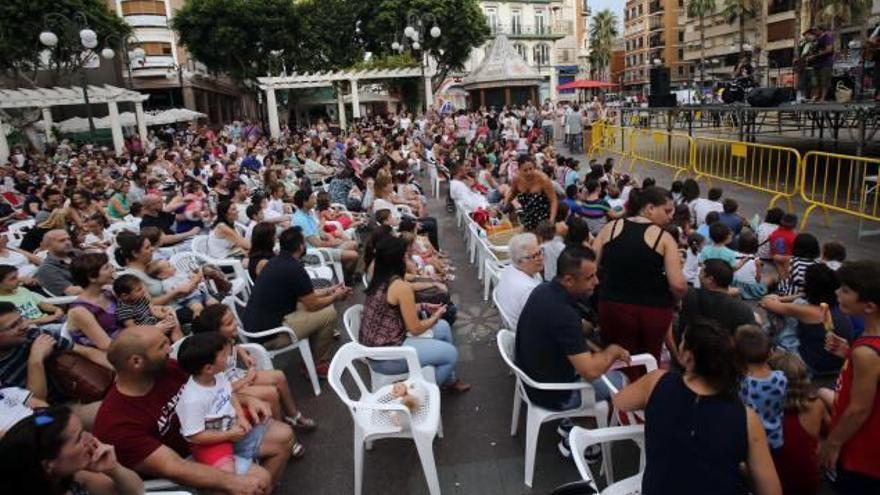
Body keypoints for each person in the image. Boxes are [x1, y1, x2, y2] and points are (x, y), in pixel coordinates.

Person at [94, 326, 293, 494]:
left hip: (217, 433)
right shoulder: (116, 422)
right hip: (188, 458)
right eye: (162, 346)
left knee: (284, 435)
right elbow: (173, 466)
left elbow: (209, 390)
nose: (169, 349)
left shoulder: (168, 368)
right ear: (136, 362)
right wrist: (231, 482)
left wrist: (246, 400)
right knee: (259, 479)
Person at [612, 319, 782, 495]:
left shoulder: (656, 381)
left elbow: (620, 401)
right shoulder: (746, 419)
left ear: (688, 357)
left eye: (683, 341)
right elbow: (771, 490)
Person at [515, 246, 630, 457]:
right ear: (568, 280)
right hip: (551, 394)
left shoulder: (543, 290)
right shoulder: (563, 314)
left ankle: (571, 424)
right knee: (619, 381)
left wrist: (580, 327)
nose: (596, 282)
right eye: (590, 277)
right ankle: (575, 442)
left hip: (531, 379)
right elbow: (590, 371)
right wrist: (612, 351)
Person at [359, 234, 470, 392]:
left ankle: (448, 380)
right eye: (404, 255)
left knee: (444, 327)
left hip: (375, 349)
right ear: (397, 259)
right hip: (388, 355)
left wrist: (423, 306)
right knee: (451, 354)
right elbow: (415, 328)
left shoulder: (379, 278)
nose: (407, 258)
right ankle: (422, 395)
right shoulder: (399, 286)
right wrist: (435, 317)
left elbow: (390, 311)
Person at [594, 186, 687, 363]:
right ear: (650, 208)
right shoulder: (664, 238)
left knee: (616, 358)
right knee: (648, 361)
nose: (670, 216)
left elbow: (591, 265)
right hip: (652, 310)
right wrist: (678, 299)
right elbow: (678, 284)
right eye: (666, 211)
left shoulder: (610, 228)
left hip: (612, 305)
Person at [243, 227, 348, 377]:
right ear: (300, 247)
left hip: (254, 329)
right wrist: (336, 296)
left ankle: (314, 356)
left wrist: (330, 290)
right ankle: (318, 364)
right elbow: (313, 304)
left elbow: (305, 296)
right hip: (270, 336)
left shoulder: (275, 262)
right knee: (329, 313)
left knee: (318, 306)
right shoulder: (294, 268)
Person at [194, 305, 316, 430]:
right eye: (230, 323)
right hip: (230, 391)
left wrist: (244, 355)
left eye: (234, 319)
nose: (236, 323)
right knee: (271, 393)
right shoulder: (213, 357)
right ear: (216, 331)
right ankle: (282, 430)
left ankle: (293, 415)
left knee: (278, 375)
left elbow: (235, 345)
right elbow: (221, 388)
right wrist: (247, 379)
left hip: (238, 376)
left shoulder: (226, 339)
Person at [820, 260, 880, 492]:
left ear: (869, 307)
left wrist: (833, 444)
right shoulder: (866, 345)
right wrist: (848, 352)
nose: (837, 293)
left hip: (861, 451)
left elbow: (859, 409)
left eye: (845, 291)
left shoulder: (867, 352)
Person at [0, 405, 143, 495]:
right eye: (79, 438)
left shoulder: (73, 476)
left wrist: (113, 469)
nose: (91, 438)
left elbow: (136, 491)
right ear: (48, 465)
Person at [761, 263, 853, 376]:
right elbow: (802, 295)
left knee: (788, 312)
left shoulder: (807, 310)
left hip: (812, 365)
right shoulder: (837, 304)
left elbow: (766, 303)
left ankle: (780, 347)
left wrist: (774, 297)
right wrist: (781, 298)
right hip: (836, 365)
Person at [768, 352, 827, 495]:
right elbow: (829, 432)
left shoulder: (762, 411)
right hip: (808, 482)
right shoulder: (816, 405)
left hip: (773, 483)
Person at [736, 325, 787, 451]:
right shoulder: (781, 378)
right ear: (770, 353)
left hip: (750, 439)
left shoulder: (741, 383)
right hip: (775, 437)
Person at [677, 259, 757, 339]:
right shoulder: (743, 310)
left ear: (710, 279)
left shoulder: (690, 295)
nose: (698, 275)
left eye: (701, 272)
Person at [291, 190, 359, 276]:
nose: (315, 199)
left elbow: (318, 230)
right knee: (354, 255)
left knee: (354, 244)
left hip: (321, 247)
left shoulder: (309, 212)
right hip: (313, 253)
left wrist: (328, 236)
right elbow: (316, 243)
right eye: (312, 197)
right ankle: (345, 278)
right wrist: (333, 243)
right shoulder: (300, 219)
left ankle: (342, 274)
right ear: (304, 202)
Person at [65, 253, 120, 351]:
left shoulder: (108, 293)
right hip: (108, 354)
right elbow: (106, 345)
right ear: (92, 277)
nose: (113, 270)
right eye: (107, 268)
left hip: (125, 341)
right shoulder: (79, 311)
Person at [495, 233, 543, 330]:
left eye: (540, 252)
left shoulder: (511, 268)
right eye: (534, 256)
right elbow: (543, 320)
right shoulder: (529, 290)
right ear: (519, 261)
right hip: (526, 332)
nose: (540, 258)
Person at [112, 274, 181, 341]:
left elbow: (153, 311)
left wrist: (165, 316)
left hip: (157, 324)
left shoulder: (141, 298)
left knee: (174, 323)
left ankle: (179, 341)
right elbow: (134, 330)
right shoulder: (124, 310)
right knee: (165, 339)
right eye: (138, 290)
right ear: (125, 296)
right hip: (147, 334)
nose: (143, 291)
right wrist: (155, 329)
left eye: (142, 288)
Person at [504, 155, 558, 231]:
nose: (529, 172)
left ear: (534, 167)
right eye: (525, 170)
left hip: (543, 218)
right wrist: (505, 203)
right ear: (519, 170)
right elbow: (512, 193)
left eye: (531, 169)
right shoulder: (517, 180)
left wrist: (551, 220)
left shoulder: (543, 179)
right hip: (527, 217)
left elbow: (553, 200)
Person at [34, 229, 83, 296]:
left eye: (68, 239)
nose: (68, 242)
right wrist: (98, 284)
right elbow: (72, 292)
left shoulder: (78, 253)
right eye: (61, 240)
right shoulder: (47, 269)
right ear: (48, 245)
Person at [806, 26, 834, 102]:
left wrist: (814, 56)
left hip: (825, 62)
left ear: (820, 30)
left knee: (824, 81)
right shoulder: (816, 39)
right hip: (816, 63)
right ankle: (816, 97)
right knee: (815, 81)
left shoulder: (827, 36)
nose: (814, 32)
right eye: (813, 31)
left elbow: (829, 49)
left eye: (815, 30)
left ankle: (822, 98)